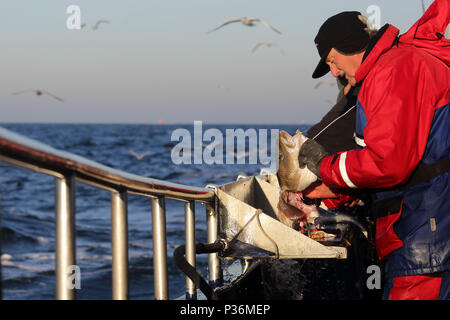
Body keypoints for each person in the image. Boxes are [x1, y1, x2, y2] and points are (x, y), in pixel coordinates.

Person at [298, 0, 450, 300]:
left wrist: (324, 165)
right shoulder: (400, 62)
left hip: (424, 238)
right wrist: (335, 192)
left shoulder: (393, 70)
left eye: (331, 60)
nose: (334, 72)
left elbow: (389, 163)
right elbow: (411, 157)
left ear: (349, 45)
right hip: (428, 230)